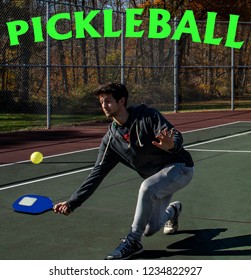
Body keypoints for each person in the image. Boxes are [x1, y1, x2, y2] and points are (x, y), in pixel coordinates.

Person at [53, 82, 194, 260]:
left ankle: (133, 240)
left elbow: (174, 135)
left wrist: (171, 144)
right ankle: (173, 211)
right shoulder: (111, 140)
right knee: (151, 229)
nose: (104, 105)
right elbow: (96, 174)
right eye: (101, 102)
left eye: (108, 101)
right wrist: (72, 202)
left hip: (180, 168)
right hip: (157, 180)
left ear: (122, 101)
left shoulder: (147, 116)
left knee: (146, 188)